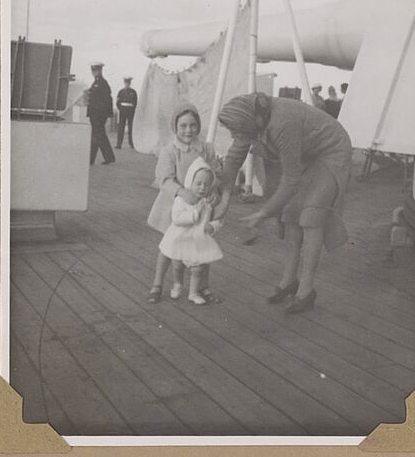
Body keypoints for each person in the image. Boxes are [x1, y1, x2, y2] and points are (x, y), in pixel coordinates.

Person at [216, 93, 352, 314]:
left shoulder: (282, 123)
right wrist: (224, 200)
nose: (234, 136)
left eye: (236, 131)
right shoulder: (251, 117)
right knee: (290, 215)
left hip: (331, 151)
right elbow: (233, 159)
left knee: (311, 216)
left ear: (251, 123)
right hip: (307, 152)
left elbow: (291, 180)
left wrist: (263, 213)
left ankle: (306, 290)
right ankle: (289, 281)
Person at [147, 102, 220, 304]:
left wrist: (214, 190)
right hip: (175, 205)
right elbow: (164, 179)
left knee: (202, 245)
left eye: (193, 125)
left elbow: (214, 174)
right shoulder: (169, 151)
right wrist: (182, 192)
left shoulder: (205, 148)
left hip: (199, 205)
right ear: (175, 127)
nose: (189, 130)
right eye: (183, 126)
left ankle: (202, 286)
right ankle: (157, 284)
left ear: (198, 125)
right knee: (168, 247)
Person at [160, 157, 223, 305]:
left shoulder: (208, 201)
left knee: (197, 268)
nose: (202, 188)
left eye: (206, 185)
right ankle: (177, 284)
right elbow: (176, 218)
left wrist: (212, 226)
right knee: (177, 265)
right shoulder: (181, 200)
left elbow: (217, 219)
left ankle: (193, 293)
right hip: (179, 238)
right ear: (190, 182)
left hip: (196, 240)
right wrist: (194, 214)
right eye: (198, 184)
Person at [87, 62, 115, 165]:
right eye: (93, 71)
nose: (94, 73)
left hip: (99, 115)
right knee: (100, 136)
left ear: (100, 71)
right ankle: (109, 157)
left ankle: (91, 159)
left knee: (96, 136)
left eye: (95, 70)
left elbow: (108, 99)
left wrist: (108, 114)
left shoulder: (102, 83)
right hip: (95, 114)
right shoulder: (95, 83)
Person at [115, 76, 138, 149]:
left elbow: (135, 103)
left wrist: (132, 110)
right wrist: (121, 109)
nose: (127, 84)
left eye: (128, 83)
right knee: (121, 127)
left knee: (131, 127)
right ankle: (119, 144)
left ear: (130, 83)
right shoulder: (121, 92)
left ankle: (131, 143)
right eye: (126, 83)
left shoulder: (133, 92)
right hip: (123, 111)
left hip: (130, 111)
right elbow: (118, 103)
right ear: (124, 83)